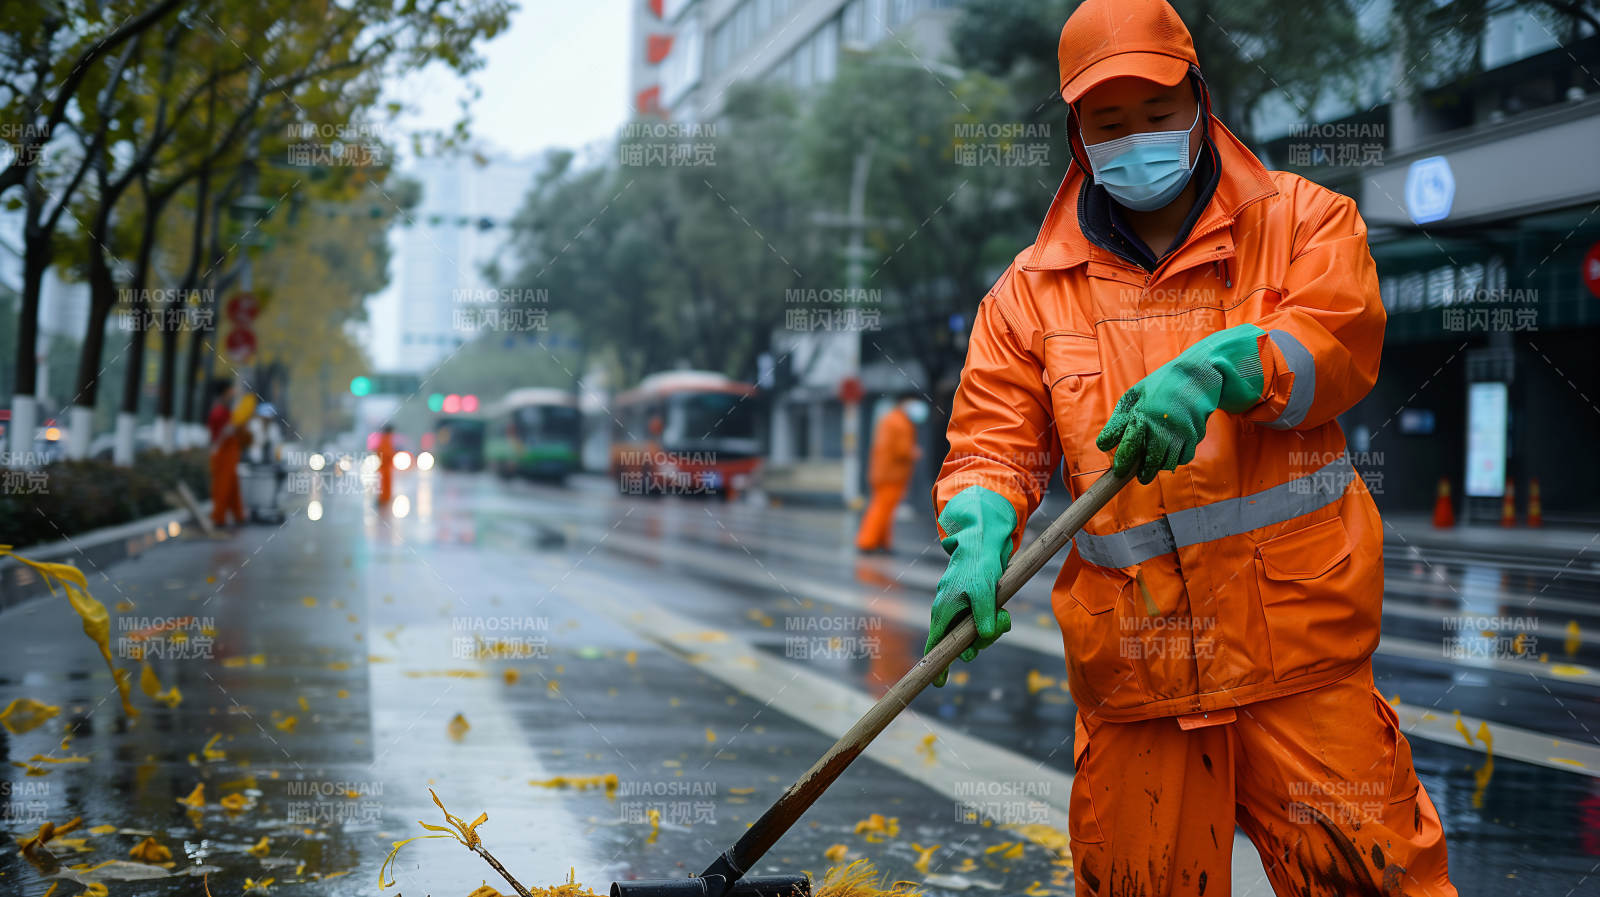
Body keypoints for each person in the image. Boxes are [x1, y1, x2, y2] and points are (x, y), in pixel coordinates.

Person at [922, 2, 1456, 894]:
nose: (1138, 138)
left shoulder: (1305, 223)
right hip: (1137, 681)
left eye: (1159, 113)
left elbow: (1339, 346)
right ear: (1077, 135)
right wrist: (977, 535)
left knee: (1379, 883)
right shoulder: (1027, 296)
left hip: (1299, 658)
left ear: (1201, 101)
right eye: (1110, 122)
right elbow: (990, 442)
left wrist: (1226, 365)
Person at [854, 392, 925, 555]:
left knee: (884, 509)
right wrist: (914, 453)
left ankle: (881, 542)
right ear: (906, 402)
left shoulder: (891, 419)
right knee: (881, 508)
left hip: (883, 472)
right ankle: (867, 542)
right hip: (892, 474)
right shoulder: (900, 423)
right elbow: (901, 450)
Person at [205, 380, 246, 529]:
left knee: (232, 486)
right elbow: (218, 435)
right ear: (225, 392)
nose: (233, 393)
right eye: (231, 390)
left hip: (230, 455)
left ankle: (238, 515)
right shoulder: (218, 412)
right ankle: (218, 517)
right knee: (222, 487)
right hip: (222, 454)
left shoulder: (227, 411)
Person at [376, 424, 396, 507]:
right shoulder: (385, 439)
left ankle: (385, 498)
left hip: (385, 466)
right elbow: (385, 453)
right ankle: (383, 498)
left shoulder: (385, 439)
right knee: (384, 483)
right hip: (385, 466)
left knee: (386, 483)